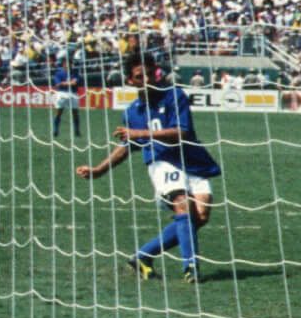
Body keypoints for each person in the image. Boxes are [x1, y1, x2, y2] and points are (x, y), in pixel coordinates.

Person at [75, 61, 221, 282]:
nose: (147, 79)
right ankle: (190, 267)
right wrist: (99, 170)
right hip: (161, 161)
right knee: (183, 203)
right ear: (129, 81)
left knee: (200, 215)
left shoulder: (174, 95)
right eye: (139, 76)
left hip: (191, 159)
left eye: (150, 74)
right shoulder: (132, 112)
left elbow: (182, 132)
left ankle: (143, 255)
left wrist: (138, 133)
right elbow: (127, 146)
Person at [50, 57, 83, 139]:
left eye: (70, 64)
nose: (68, 65)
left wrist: (64, 83)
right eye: (66, 64)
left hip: (73, 93)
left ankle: (77, 130)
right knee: (58, 112)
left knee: (75, 113)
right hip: (62, 93)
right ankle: (55, 130)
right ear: (63, 64)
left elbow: (75, 82)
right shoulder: (59, 73)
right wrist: (69, 83)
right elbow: (58, 84)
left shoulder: (75, 73)